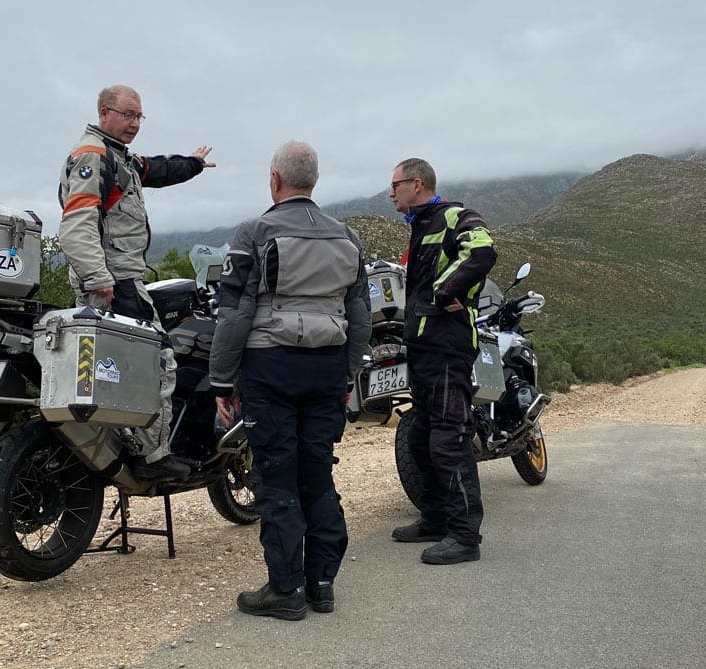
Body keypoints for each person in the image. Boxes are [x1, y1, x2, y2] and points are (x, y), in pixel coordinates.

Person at [210, 142, 371, 619]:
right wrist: (349, 372)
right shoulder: (348, 237)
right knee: (318, 475)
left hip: (270, 368)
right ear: (313, 182)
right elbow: (359, 314)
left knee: (277, 477)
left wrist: (222, 380)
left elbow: (235, 313)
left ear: (274, 180)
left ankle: (285, 589)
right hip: (327, 368)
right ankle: (322, 584)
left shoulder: (254, 231)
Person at [57, 84, 215, 479]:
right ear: (104, 112)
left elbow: (156, 169)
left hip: (115, 277)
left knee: (115, 369)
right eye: (128, 115)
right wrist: (99, 278)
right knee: (158, 361)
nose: (134, 124)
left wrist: (193, 164)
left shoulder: (117, 157)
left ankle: (121, 445)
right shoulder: (93, 157)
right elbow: (76, 225)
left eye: (139, 116)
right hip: (114, 279)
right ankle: (152, 457)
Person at [388, 158, 497, 565]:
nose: (391, 194)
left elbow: (483, 251)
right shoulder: (420, 226)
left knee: (449, 438)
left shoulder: (454, 216)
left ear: (417, 183)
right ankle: (434, 518)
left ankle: (465, 536)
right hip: (422, 348)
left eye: (395, 185)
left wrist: (442, 291)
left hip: (447, 346)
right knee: (419, 435)